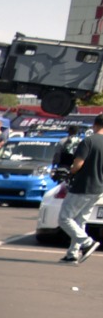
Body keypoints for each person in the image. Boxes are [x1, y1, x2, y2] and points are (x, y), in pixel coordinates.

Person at [57, 113, 103, 264]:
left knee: (64, 218)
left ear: (95, 125)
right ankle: (72, 253)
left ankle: (87, 242)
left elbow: (78, 165)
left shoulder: (88, 141)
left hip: (83, 185)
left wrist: (69, 172)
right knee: (79, 219)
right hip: (98, 187)